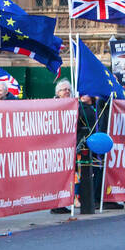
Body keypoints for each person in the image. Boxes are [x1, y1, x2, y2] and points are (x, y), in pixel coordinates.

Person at [51, 78, 76, 214]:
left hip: (70, 145)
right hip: (56, 146)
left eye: (68, 90)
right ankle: (56, 204)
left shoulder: (75, 104)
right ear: (57, 92)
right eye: (63, 90)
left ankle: (64, 202)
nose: (66, 92)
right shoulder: (53, 105)